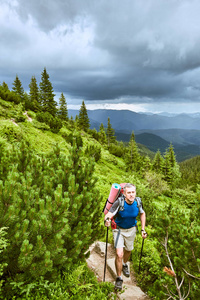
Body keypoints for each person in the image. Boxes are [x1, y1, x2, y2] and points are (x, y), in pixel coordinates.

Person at [104, 183, 147, 290]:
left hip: (132, 230)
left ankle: (124, 264)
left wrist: (143, 229)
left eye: (133, 192)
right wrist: (107, 220)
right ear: (124, 193)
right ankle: (119, 278)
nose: (131, 195)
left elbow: (142, 213)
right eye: (129, 192)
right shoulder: (119, 202)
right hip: (118, 230)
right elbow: (109, 214)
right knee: (119, 254)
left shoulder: (138, 202)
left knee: (128, 250)